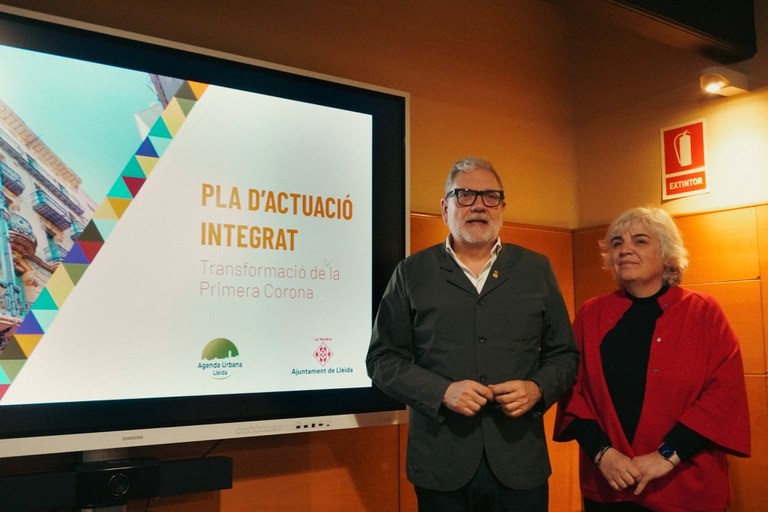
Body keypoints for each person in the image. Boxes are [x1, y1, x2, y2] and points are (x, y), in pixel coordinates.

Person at [366, 157, 579, 512]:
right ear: (444, 208)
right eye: (465, 195)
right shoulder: (412, 272)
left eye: (490, 196)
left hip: (519, 464)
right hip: (440, 466)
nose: (479, 205)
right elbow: (382, 360)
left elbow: (565, 355)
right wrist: (442, 392)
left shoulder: (535, 269)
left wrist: (537, 388)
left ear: (502, 207)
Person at [553, 206, 751, 512]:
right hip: (610, 487)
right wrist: (602, 454)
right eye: (617, 243)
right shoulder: (591, 315)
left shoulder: (703, 312)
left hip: (683, 488)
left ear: (667, 254)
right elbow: (572, 391)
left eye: (640, 241)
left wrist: (667, 455)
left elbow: (722, 396)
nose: (624, 249)